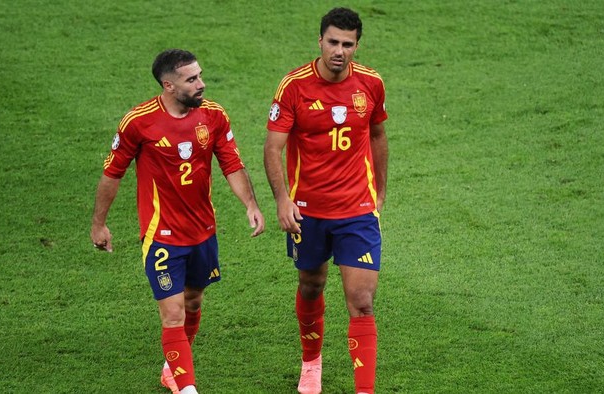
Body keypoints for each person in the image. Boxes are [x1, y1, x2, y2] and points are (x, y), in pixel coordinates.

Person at [91, 49, 265, 394]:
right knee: (172, 314)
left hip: (203, 231)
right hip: (162, 236)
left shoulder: (213, 116)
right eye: (192, 79)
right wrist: (99, 223)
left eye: (200, 75)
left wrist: (250, 204)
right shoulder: (138, 122)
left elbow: (231, 163)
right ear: (168, 85)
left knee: (193, 302)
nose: (201, 84)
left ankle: (173, 366)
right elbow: (112, 174)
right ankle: (187, 388)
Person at [264, 7, 388, 394]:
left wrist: (380, 191)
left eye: (347, 44)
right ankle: (311, 362)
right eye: (332, 42)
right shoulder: (294, 86)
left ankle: (364, 390)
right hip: (309, 213)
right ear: (320, 40)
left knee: (362, 301)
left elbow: (378, 135)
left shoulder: (370, 83)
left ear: (357, 45)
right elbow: (273, 148)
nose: (339, 50)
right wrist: (283, 200)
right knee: (312, 285)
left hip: (357, 212)